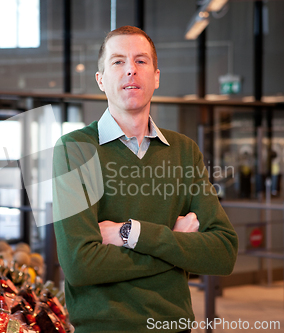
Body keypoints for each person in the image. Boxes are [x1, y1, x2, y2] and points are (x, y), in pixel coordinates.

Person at [52, 26, 238, 333]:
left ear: (156, 77)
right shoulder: (74, 150)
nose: (130, 71)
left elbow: (224, 253)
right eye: (117, 62)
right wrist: (176, 246)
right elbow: (79, 265)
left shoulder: (183, 150)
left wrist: (130, 233)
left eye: (141, 61)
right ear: (101, 80)